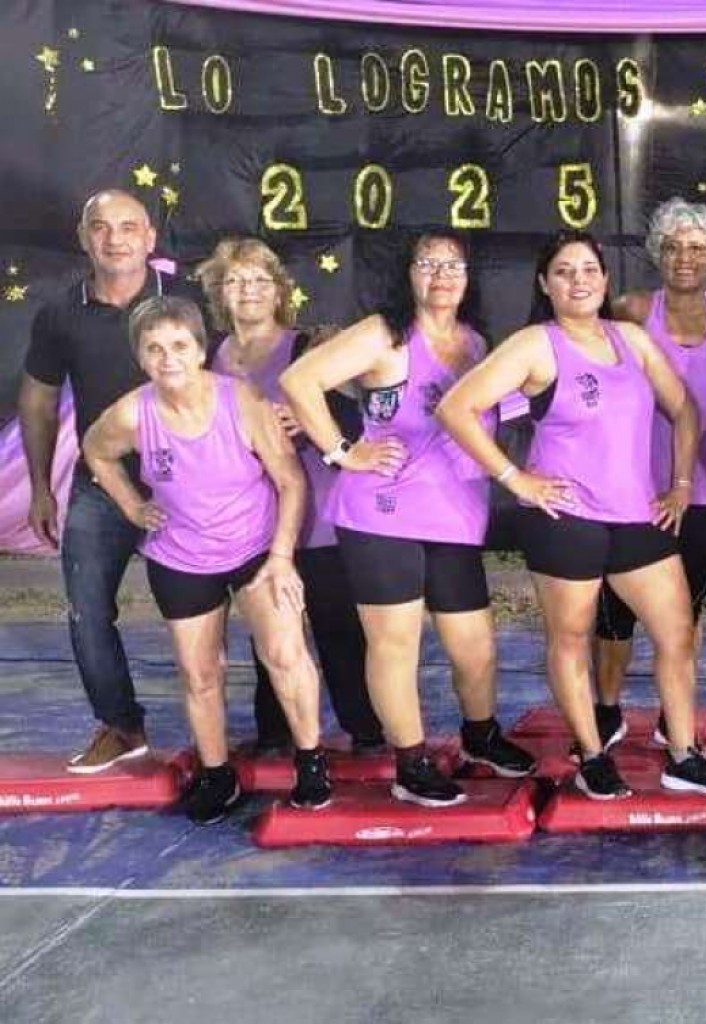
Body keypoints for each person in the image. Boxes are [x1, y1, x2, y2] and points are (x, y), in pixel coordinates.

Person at [436, 231, 706, 798]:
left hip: (635, 514)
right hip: (564, 517)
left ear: (605, 279)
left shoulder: (632, 339)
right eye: (564, 271)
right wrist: (514, 478)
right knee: (571, 638)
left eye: (588, 270)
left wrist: (679, 485)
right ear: (545, 284)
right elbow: (456, 407)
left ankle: (682, 754)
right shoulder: (536, 344)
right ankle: (593, 755)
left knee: (677, 634)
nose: (578, 280)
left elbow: (684, 410)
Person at [279, 232, 534, 809]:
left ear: (468, 277)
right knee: (395, 644)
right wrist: (343, 452)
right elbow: (299, 381)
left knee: (476, 648)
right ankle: (411, 762)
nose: (441, 275)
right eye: (428, 264)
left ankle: (480, 736)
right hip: (383, 514)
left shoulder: (476, 342)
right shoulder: (384, 333)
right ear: (408, 273)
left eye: (453, 265)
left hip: (455, 515)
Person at [81, 297, 331, 824]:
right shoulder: (131, 413)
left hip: (256, 547)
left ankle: (311, 762)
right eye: (154, 349)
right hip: (181, 556)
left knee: (285, 653)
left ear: (200, 351)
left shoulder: (242, 400)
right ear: (141, 358)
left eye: (178, 346)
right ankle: (218, 775)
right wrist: (132, 505)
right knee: (200, 673)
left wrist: (282, 558)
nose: (167, 358)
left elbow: (291, 480)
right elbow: (95, 450)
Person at [17, 188, 204, 774]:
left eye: (128, 227)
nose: (115, 238)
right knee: (87, 609)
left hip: (191, 486)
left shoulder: (189, 301)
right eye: (101, 227)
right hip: (102, 487)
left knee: (220, 606)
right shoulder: (60, 313)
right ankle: (121, 727)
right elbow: (38, 401)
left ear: (150, 237)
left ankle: (240, 732)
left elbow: (234, 378)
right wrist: (42, 487)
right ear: (83, 237)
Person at [195, 237, 384, 755]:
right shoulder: (207, 358)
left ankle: (367, 732)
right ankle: (276, 733)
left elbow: (355, 422)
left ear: (279, 291)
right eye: (235, 281)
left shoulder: (310, 347)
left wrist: (307, 421)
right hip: (254, 521)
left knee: (337, 627)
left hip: (318, 517)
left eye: (260, 280)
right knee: (271, 632)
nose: (248, 290)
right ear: (219, 292)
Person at [595, 198, 706, 747]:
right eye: (674, 246)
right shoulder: (632, 310)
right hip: (632, 487)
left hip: (704, 488)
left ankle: (672, 716)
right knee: (615, 609)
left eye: (698, 248)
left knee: (687, 609)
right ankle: (606, 710)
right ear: (658, 253)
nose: (685, 257)